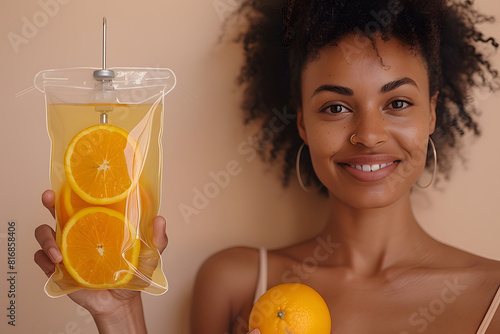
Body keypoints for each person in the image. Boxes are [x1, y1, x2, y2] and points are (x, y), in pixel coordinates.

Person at [36, 0, 500, 333]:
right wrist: (118, 314)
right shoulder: (235, 282)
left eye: (397, 102)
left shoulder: (492, 296)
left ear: (433, 113)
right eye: (335, 108)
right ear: (300, 122)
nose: (369, 134)